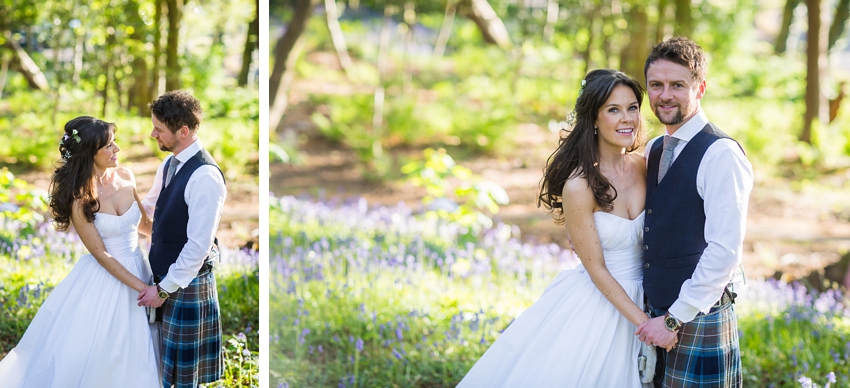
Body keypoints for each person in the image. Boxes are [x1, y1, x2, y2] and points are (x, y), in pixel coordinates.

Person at [457, 69, 656, 387]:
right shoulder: (580, 185)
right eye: (613, 110)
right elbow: (596, 268)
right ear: (593, 118)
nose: (627, 119)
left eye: (632, 107)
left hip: (651, 297)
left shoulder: (647, 166)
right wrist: (645, 324)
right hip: (601, 304)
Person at [0, 117, 160, 387]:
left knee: (143, 348)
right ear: (90, 153)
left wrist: (181, 245)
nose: (117, 149)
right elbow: (102, 255)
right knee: (100, 351)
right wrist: (143, 289)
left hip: (139, 265)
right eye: (109, 146)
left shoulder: (126, 176)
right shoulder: (80, 198)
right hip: (107, 279)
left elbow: (144, 225)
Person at [634, 37, 753, 387]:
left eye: (677, 85)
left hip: (698, 317)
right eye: (656, 85)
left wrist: (673, 319)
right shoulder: (655, 148)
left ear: (700, 88)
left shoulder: (721, 155)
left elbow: (724, 251)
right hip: (654, 314)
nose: (665, 95)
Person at [137, 90, 227, 388]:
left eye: (159, 129)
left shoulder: (205, 177)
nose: (153, 134)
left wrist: (162, 290)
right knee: (164, 372)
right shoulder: (169, 164)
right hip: (166, 277)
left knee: (187, 380)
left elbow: (198, 247)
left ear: (183, 131)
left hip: (185, 284)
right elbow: (150, 212)